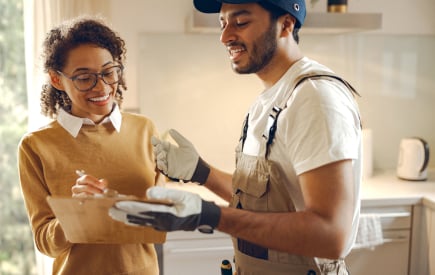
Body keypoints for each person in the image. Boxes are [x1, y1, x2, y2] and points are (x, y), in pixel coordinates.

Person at [110, 0, 362, 274]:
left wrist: (211, 215)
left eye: (240, 22)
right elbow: (264, 203)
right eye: (222, 23)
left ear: (286, 24)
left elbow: (331, 235)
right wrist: (201, 172)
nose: (225, 36)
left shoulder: (314, 98)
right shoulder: (271, 98)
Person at [18, 16, 163, 275]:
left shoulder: (145, 131)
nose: (102, 86)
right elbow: (45, 242)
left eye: (109, 72)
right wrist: (77, 214)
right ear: (56, 79)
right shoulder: (35, 146)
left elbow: (160, 222)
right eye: (85, 78)